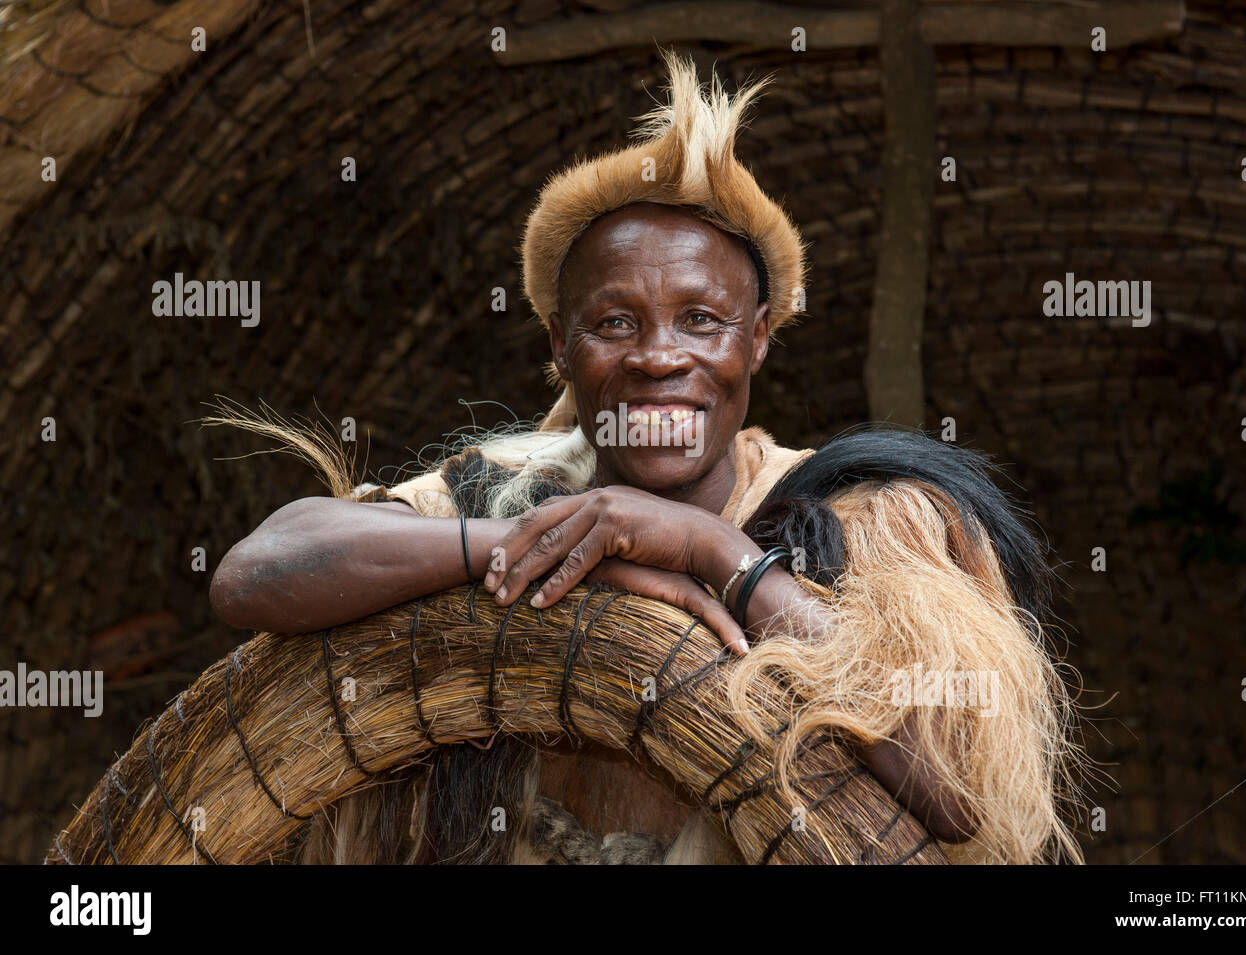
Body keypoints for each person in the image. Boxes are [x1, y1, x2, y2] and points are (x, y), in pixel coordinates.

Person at [208, 51, 1085, 864]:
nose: (659, 357)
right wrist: (523, 548)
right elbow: (256, 574)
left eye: (701, 320)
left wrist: (711, 552)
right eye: (615, 323)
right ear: (561, 345)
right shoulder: (504, 490)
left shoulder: (863, 520)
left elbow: (958, 786)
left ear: (758, 339)